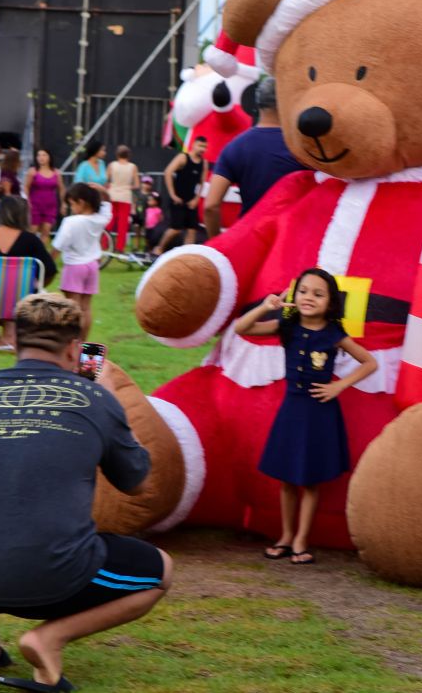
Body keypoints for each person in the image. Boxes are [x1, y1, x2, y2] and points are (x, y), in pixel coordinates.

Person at [0, 292, 172, 693]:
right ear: (75, 349)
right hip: (49, 575)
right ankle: (48, 639)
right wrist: (111, 400)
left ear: (13, 336)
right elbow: (139, 483)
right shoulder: (95, 397)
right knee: (161, 570)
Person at [234, 267, 377, 565]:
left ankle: (302, 539)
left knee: (310, 481)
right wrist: (267, 306)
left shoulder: (334, 334)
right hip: (292, 411)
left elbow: (369, 362)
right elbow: (241, 329)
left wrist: (339, 385)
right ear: (294, 295)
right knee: (287, 479)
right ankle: (286, 536)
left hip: (320, 415)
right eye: (303, 291)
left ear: (331, 302)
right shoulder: (287, 327)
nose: (308, 298)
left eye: (317, 293)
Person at [204, 77, 306, 238]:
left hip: (250, 239)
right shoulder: (305, 148)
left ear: (257, 104)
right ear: (287, 102)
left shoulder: (235, 147)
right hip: (292, 239)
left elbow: (211, 205)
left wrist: (216, 243)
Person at [0, 196, 56, 351]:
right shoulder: (31, 240)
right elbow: (50, 270)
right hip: (22, 301)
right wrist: (38, 285)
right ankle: (12, 337)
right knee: (14, 289)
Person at [52, 183, 112, 338]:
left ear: (82, 202)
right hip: (92, 265)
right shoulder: (100, 218)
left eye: (72, 204)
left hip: (74, 266)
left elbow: (58, 246)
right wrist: (102, 189)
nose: (71, 208)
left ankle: (71, 343)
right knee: (85, 308)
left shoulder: (71, 222)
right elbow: (107, 202)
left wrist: (48, 263)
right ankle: (82, 344)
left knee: (72, 308)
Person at [154, 137, 208, 253]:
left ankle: (184, 254)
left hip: (191, 201)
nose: (202, 149)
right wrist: (172, 194)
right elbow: (168, 172)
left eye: (204, 147)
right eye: (200, 146)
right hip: (177, 199)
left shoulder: (204, 163)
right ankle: (159, 249)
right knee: (175, 229)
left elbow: (201, 183)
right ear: (193, 145)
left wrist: (196, 199)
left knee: (192, 230)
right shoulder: (183, 157)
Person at [24, 148, 64, 243]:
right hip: (35, 205)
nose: (41, 158)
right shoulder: (33, 171)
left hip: (50, 206)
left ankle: (41, 254)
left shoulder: (56, 173)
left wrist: (63, 204)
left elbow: (61, 188)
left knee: (46, 231)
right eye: (39, 155)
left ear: (49, 157)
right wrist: (27, 201)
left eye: (44, 155)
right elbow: (26, 187)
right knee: (32, 230)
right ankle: (29, 252)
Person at [106, 146, 139, 254]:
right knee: (123, 223)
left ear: (117, 154)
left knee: (110, 221)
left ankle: (104, 244)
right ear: (128, 155)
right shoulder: (132, 166)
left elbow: (106, 181)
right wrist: (128, 187)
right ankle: (120, 247)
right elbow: (137, 185)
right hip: (125, 196)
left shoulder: (112, 165)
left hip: (112, 195)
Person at [131, 175, 154, 252]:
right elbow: (134, 202)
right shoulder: (137, 193)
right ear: (141, 183)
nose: (146, 185)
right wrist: (133, 210)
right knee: (137, 231)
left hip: (147, 217)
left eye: (148, 183)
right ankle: (135, 246)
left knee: (146, 233)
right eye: (144, 183)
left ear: (151, 185)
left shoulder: (151, 195)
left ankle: (147, 246)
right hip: (138, 215)